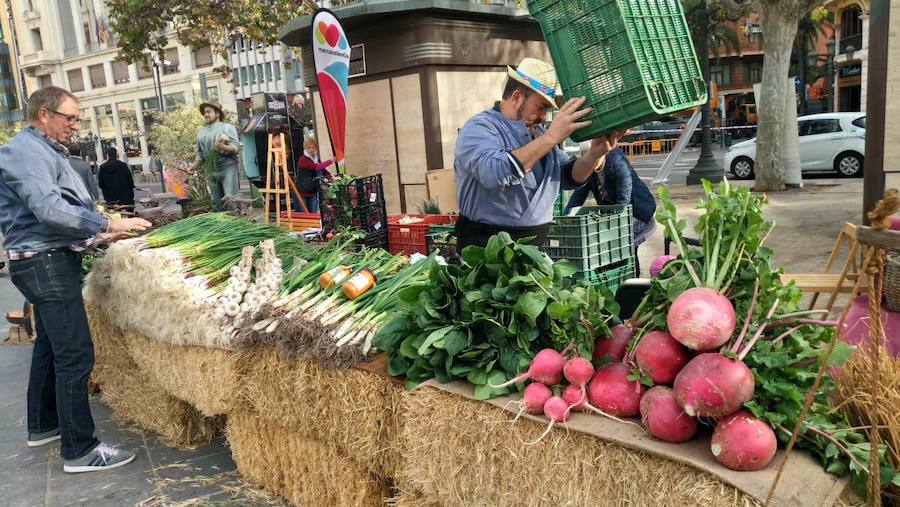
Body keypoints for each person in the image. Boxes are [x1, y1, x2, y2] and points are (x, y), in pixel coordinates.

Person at [0, 85, 151, 473]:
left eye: (76, 118)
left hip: (46, 257)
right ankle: (81, 450)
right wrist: (107, 222)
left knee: (50, 345)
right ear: (44, 114)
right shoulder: (26, 152)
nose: (74, 125)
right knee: (75, 353)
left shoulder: (42, 150)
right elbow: (49, 210)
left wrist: (101, 233)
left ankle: (44, 425)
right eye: (69, 117)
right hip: (45, 262)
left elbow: (56, 211)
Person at [453, 57, 626, 250]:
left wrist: (595, 154)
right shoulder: (479, 127)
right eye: (541, 107)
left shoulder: (539, 133)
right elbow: (493, 173)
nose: (544, 116)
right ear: (517, 98)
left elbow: (568, 176)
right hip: (484, 249)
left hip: (534, 249)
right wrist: (551, 137)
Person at [564, 147, 657, 275]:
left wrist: (613, 227)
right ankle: (620, 278)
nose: (589, 163)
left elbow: (624, 201)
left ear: (602, 153)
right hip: (614, 214)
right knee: (612, 247)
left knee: (624, 245)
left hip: (638, 211)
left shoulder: (618, 164)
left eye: (593, 157)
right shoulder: (589, 169)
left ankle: (632, 279)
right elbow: (577, 197)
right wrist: (565, 217)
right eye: (586, 159)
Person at [190, 99, 240, 211]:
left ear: (217, 113)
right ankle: (220, 225)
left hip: (227, 167)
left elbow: (236, 147)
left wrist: (224, 147)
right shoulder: (201, 132)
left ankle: (234, 222)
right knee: (215, 202)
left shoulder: (227, 127)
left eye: (208, 111)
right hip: (211, 169)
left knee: (230, 199)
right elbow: (200, 153)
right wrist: (194, 166)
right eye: (204, 113)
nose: (206, 114)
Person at [294, 137, 333, 213]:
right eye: (309, 148)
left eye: (313, 147)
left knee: (314, 214)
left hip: (313, 191)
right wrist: (330, 161)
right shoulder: (303, 159)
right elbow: (316, 167)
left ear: (315, 148)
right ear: (305, 148)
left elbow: (323, 171)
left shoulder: (316, 159)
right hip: (301, 192)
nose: (311, 149)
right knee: (304, 215)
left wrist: (332, 177)